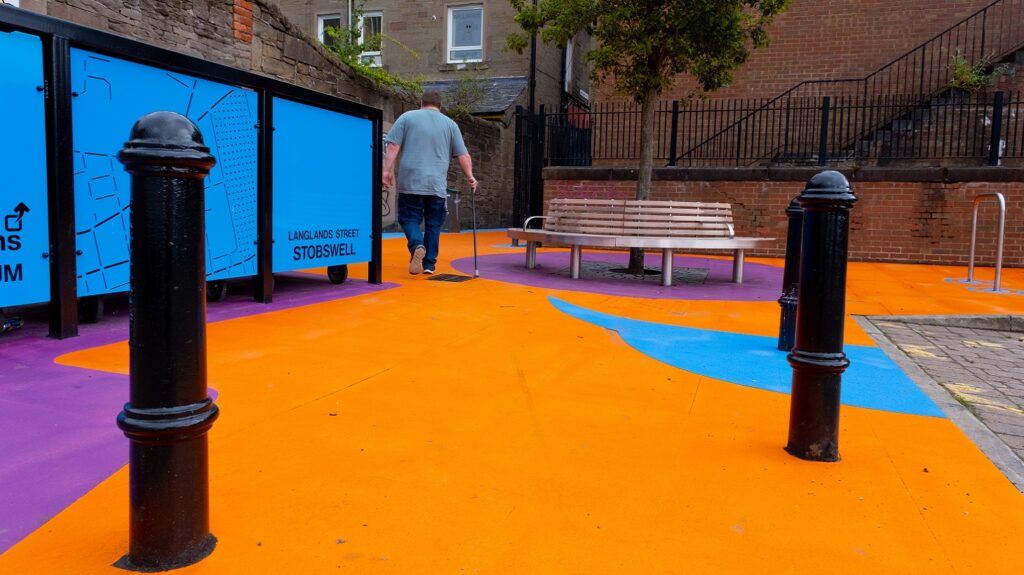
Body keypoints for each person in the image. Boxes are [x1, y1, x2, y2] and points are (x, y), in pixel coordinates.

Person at [383, 90, 477, 275]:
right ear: (440, 107)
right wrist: (470, 177)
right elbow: (463, 154)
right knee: (434, 225)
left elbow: (393, 145)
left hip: (411, 181)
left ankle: (417, 245)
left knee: (409, 218)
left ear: (421, 103)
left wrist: (386, 171)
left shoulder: (407, 118)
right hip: (436, 184)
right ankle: (429, 265)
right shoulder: (451, 125)